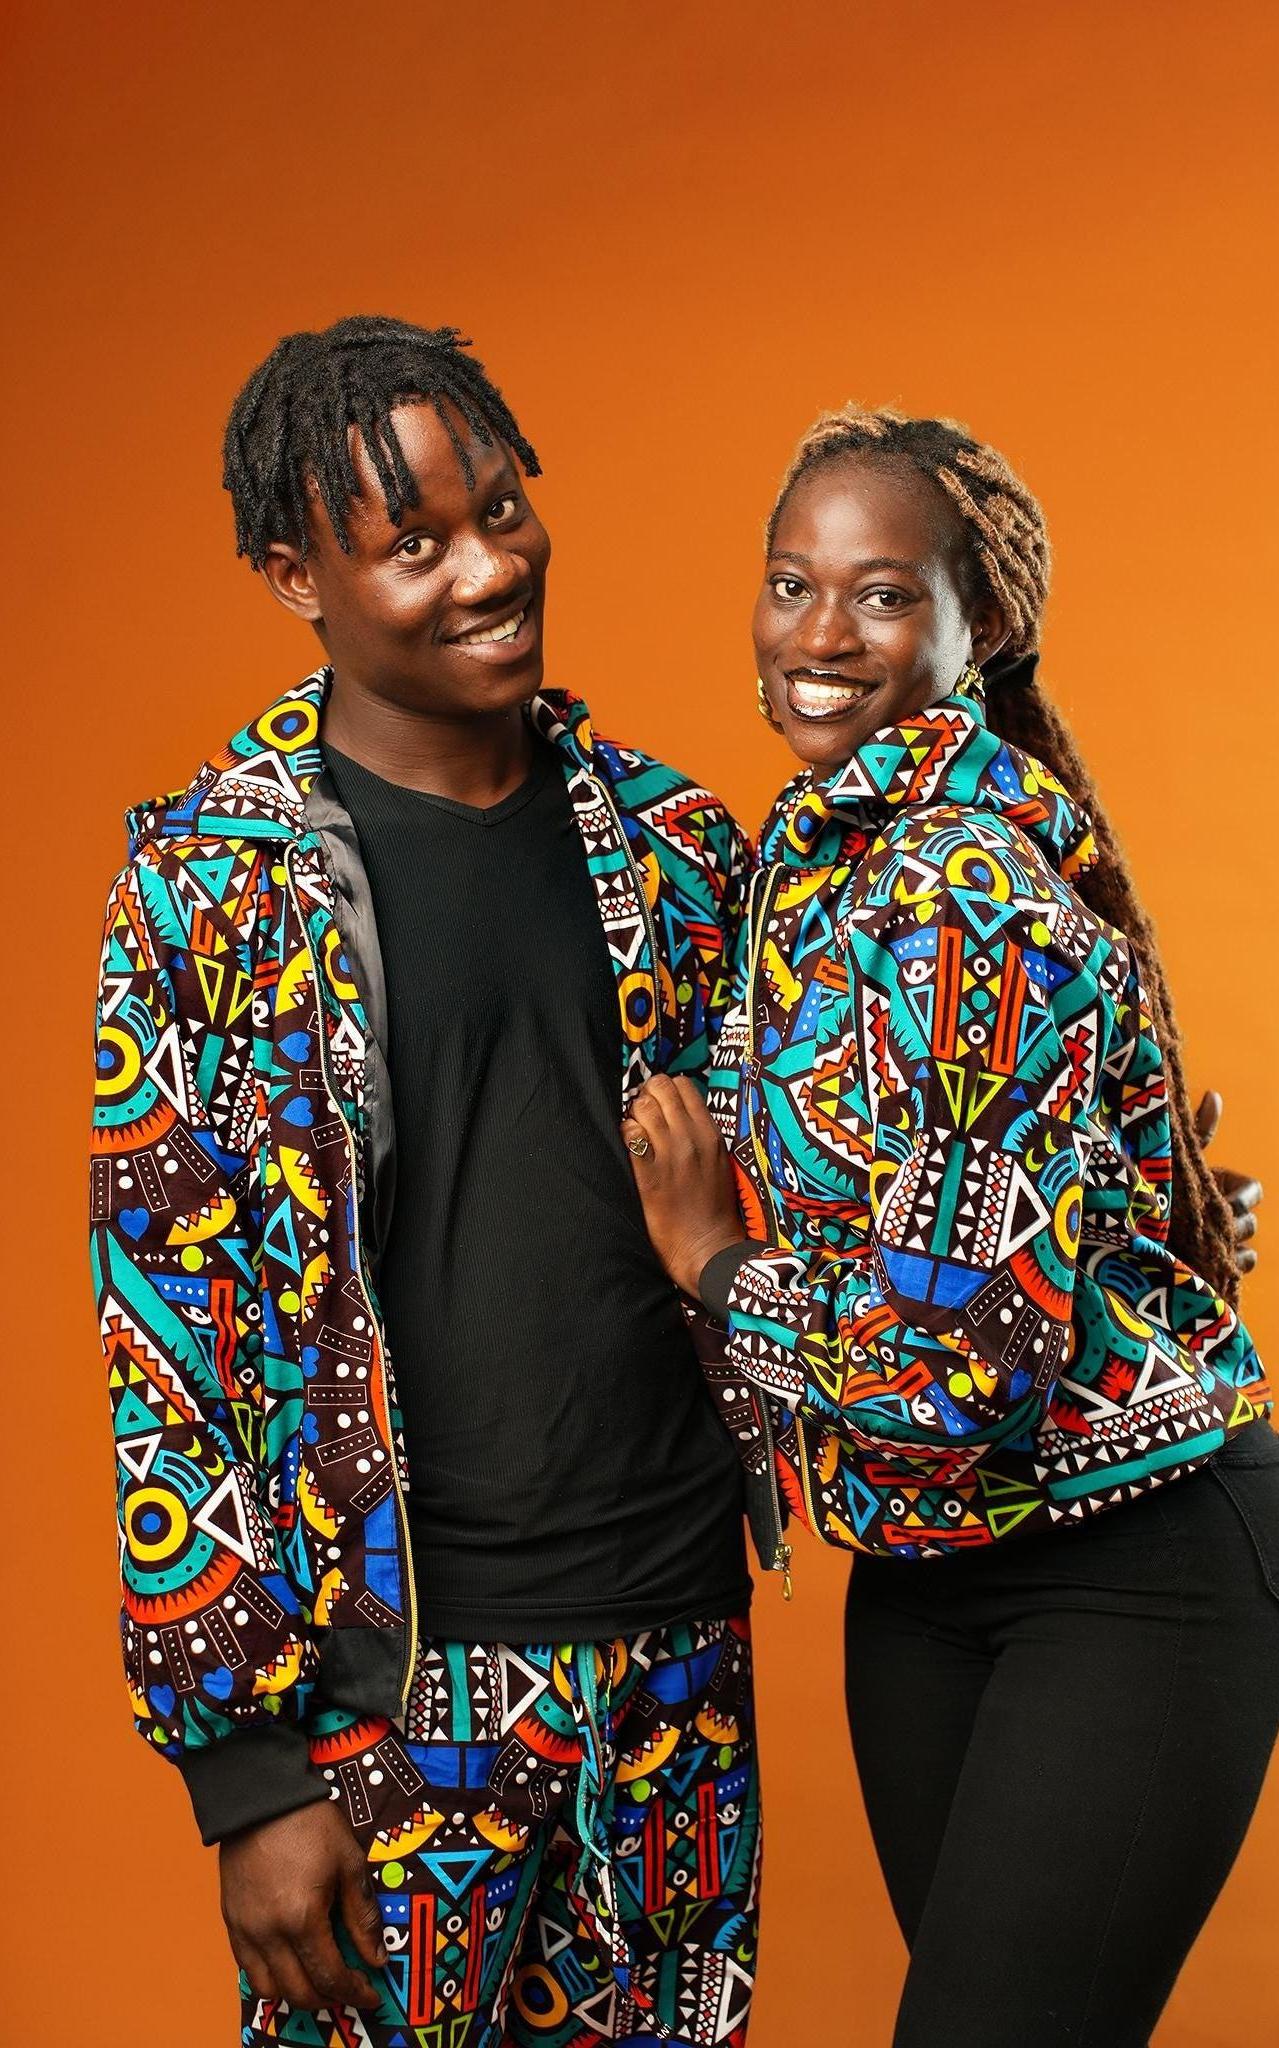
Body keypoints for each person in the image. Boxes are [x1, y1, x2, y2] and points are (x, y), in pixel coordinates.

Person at [90, 315, 765, 2047]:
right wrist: (245, 1775)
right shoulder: (210, 897)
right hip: (393, 1693)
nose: (488, 570)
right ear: (289, 572)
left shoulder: (679, 851)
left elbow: (858, 1139)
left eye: (502, 510)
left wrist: (1129, 1172)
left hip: (677, 1649)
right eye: (413, 545)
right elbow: (165, 1333)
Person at [623, 409, 1279, 2047]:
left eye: (876, 595)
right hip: (928, 1578)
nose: (816, 635)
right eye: (791, 583)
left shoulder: (953, 889)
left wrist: (709, 1263)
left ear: (975, 623)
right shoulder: (815, 860)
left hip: (1128, 1569)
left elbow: (962, 1375)